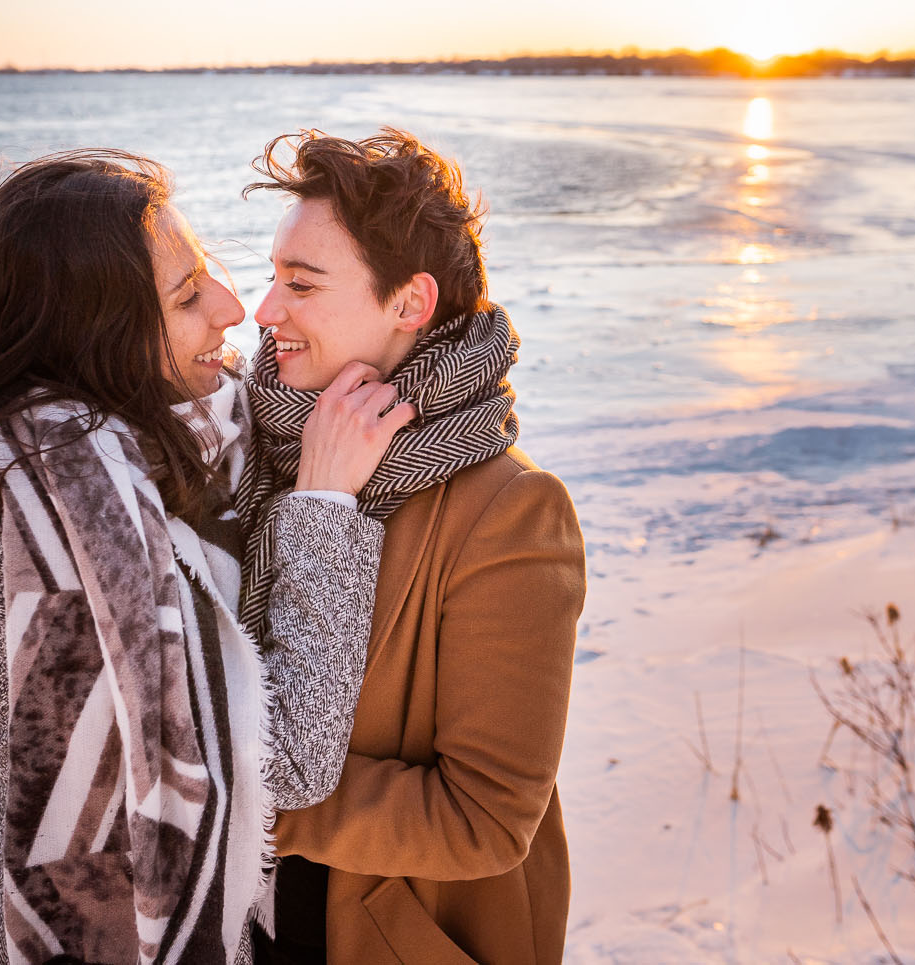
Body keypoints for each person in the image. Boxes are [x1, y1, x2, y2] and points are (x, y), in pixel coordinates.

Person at [0, 149, 411, 965]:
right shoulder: (69, 532)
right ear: (99, 342)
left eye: (211, 272)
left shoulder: (143, 444)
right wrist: (325, 503)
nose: (233, 309)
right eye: (188, 297)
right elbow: (283, 762)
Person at [236, 130, 587, 965]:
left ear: (408, 304)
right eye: (273, 277)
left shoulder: (512, 512)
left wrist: (241, 795)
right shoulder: (256, 452)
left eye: (302, 284)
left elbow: (487, 817)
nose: (264, 310)